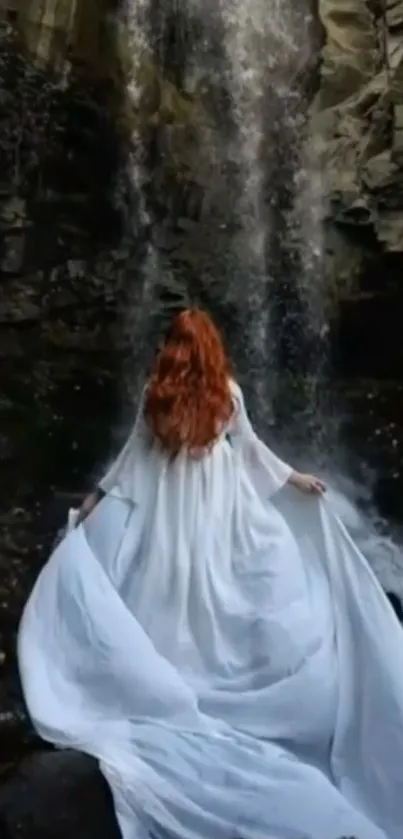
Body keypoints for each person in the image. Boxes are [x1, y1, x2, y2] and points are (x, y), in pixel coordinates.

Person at [18, 308, 403, 839]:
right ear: (213, 348)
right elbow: (247, 450)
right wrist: (292, 479)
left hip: (171, 496)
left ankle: (176, 668)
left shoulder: (159, 393)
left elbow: (135, 458)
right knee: (224, 579)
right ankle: (228, 674)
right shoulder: (227, 392)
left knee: (174, 577)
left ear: (173, 347)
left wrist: (96, 500)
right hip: (220, 495)